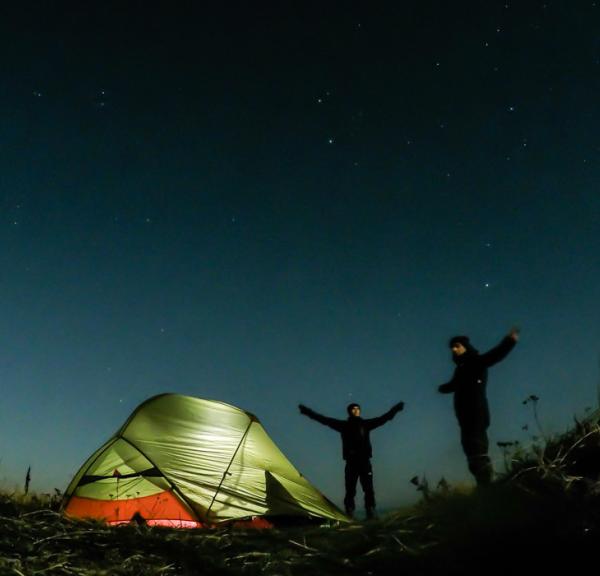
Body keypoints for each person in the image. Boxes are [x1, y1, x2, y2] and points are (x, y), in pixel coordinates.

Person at [438, 327, 520, 486]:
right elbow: (454, 385)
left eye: (457, 345)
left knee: (477, 451)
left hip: (476, 413)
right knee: (470, 451)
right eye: (452, 348)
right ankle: (484, 486)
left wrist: (509, 341)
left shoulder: (476, 361)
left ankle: (488, 486)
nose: (454, 349)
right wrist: (443, 388)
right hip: (464, 417)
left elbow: (496, 355)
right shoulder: (460, 369)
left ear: (465, 346)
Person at [298, 401, 404, 519]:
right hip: (351, 462)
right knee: (350, 489)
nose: (356, 410)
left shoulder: (365, 424)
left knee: (368, 488)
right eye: (353, 409)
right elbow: (324, 420)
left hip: (364, 461)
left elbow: (384, 418)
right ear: (349, 411)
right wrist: (307, 412)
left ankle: (370, 512)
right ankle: (350, 514)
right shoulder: (344, 425)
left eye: (358, 408)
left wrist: (395, 409)